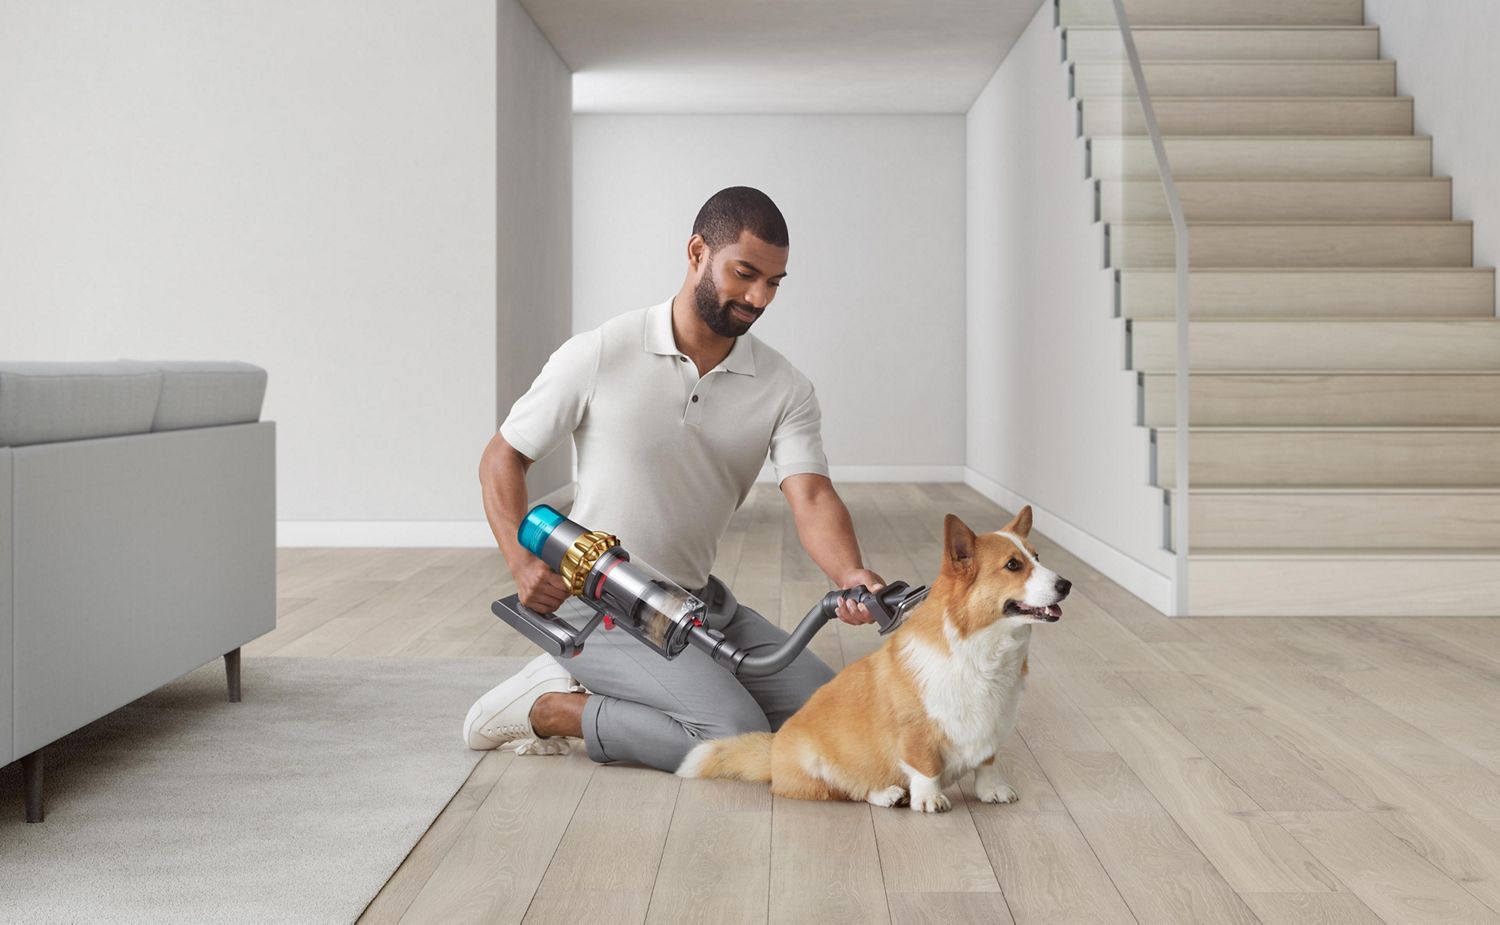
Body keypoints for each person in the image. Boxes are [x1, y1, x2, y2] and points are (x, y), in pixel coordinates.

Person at [464, 186, 885, 773]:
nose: (759, 297)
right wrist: (520, 560)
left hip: (697, 603)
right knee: (735, 734)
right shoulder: (603, 352)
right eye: (745, 274)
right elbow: (501, 458)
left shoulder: (783, 387)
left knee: (841, 717)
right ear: (696, 253)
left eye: (774, 282)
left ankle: (643, 685)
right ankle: (551, 708)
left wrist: (850, 575)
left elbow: (811, 493)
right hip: (601, 604)